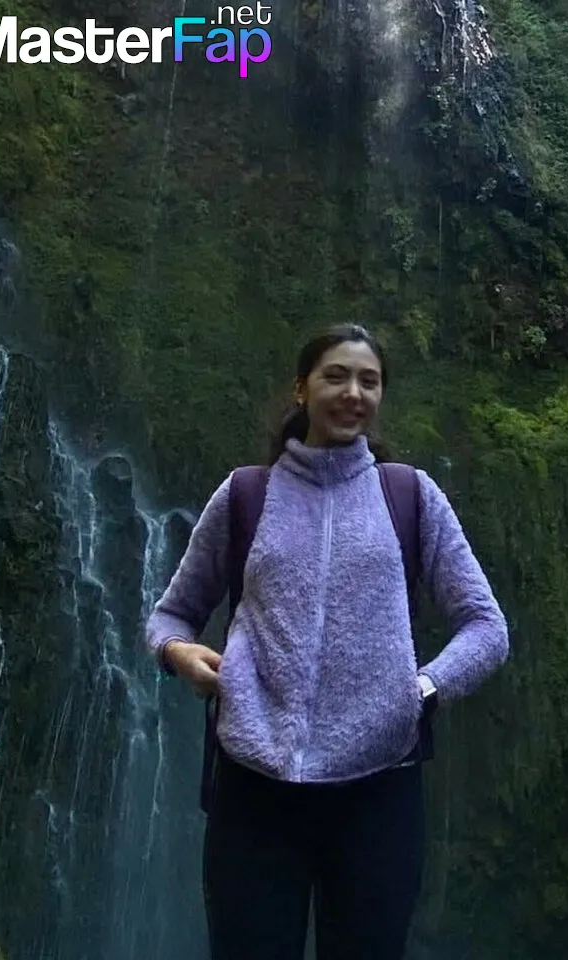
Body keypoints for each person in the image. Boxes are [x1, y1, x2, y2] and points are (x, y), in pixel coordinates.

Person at [144, 323, 509, 960]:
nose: (353, 393)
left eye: (369, 381)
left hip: (379, 792)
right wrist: (178, 654)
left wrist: (421, 690)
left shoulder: (410, 495)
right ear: (301, 388)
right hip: (254, 788)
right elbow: (171, 616)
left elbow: (486, 625)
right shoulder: (246, 495)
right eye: (335, 376)